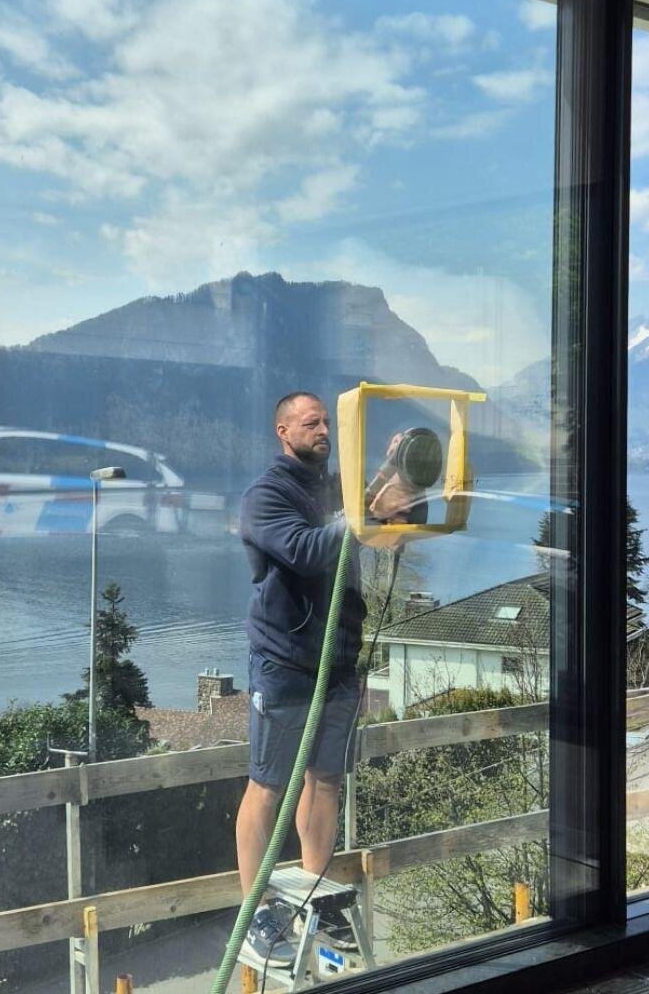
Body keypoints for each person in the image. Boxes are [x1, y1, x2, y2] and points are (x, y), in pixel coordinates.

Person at [235, 391, 414, 966]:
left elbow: (371, 515)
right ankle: (256, 909)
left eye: (327, 423)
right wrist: (364, 515)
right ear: (282, 431)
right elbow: (307, 549)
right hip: (284, 664)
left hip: (337, 662)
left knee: (326, 780)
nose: (324, 431)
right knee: (267, 785)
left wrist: (395, 469)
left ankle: (315, 894)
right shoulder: (266, 496)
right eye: (311, 423)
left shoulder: (333, 490)